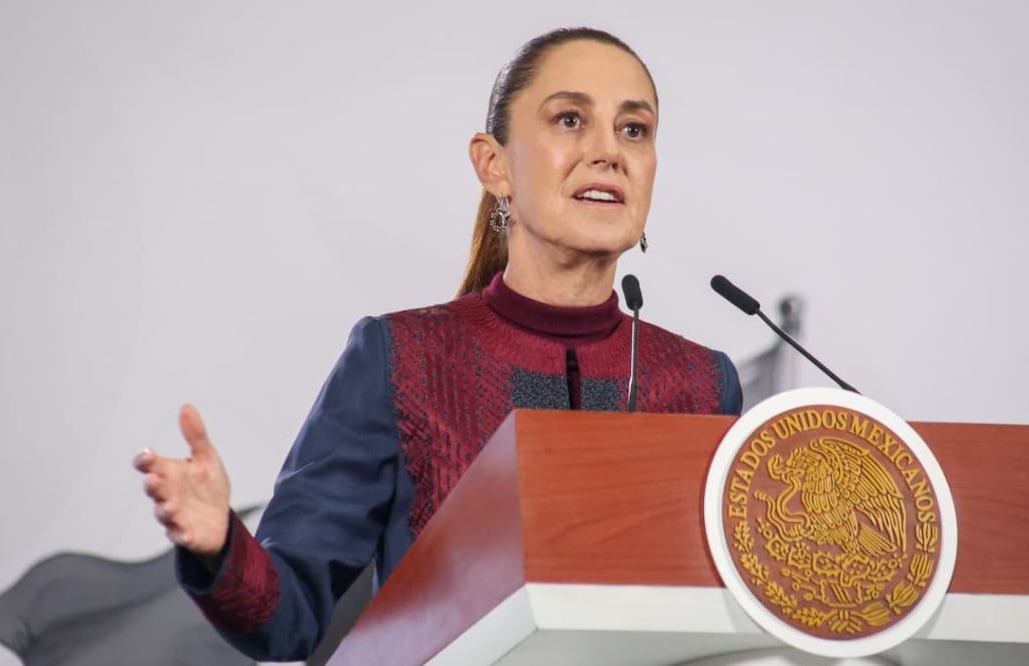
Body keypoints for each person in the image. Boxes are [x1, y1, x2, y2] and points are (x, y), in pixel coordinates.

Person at [133, 26, 743, 662]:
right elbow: (289, 621)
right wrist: (220, 546)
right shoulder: (400, 359)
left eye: (634, 129)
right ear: (494, 164)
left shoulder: (702, 385)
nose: (608, 152)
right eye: (570, 119)